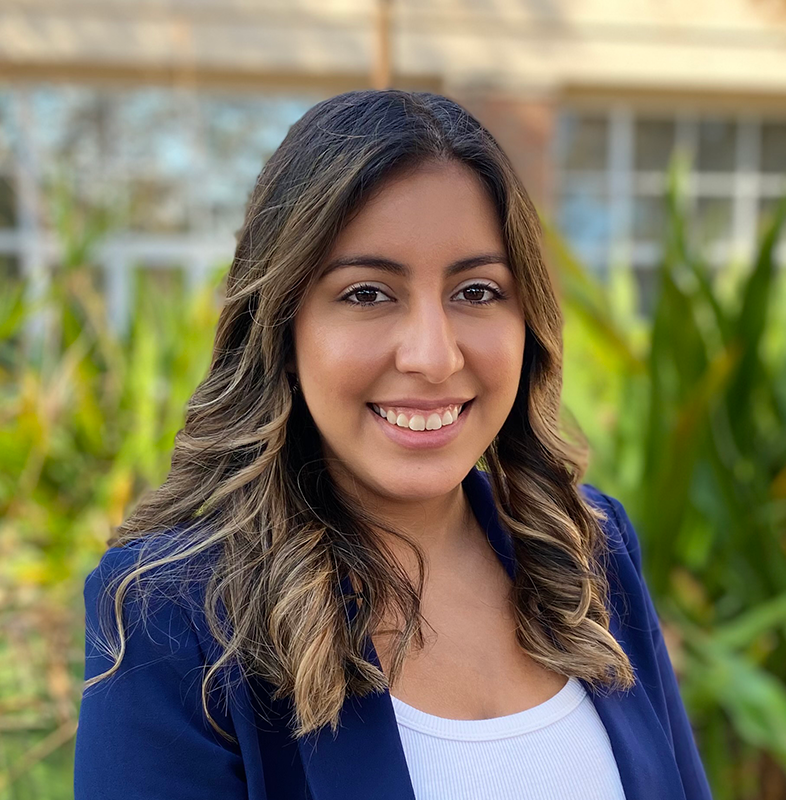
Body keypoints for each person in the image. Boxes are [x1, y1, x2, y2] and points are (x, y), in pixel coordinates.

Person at [74, 89, 713, 800]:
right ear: (282, 328)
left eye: (475, 291)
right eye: (367, 294)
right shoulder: (174, 611)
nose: (433, 357)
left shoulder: (586, 547)